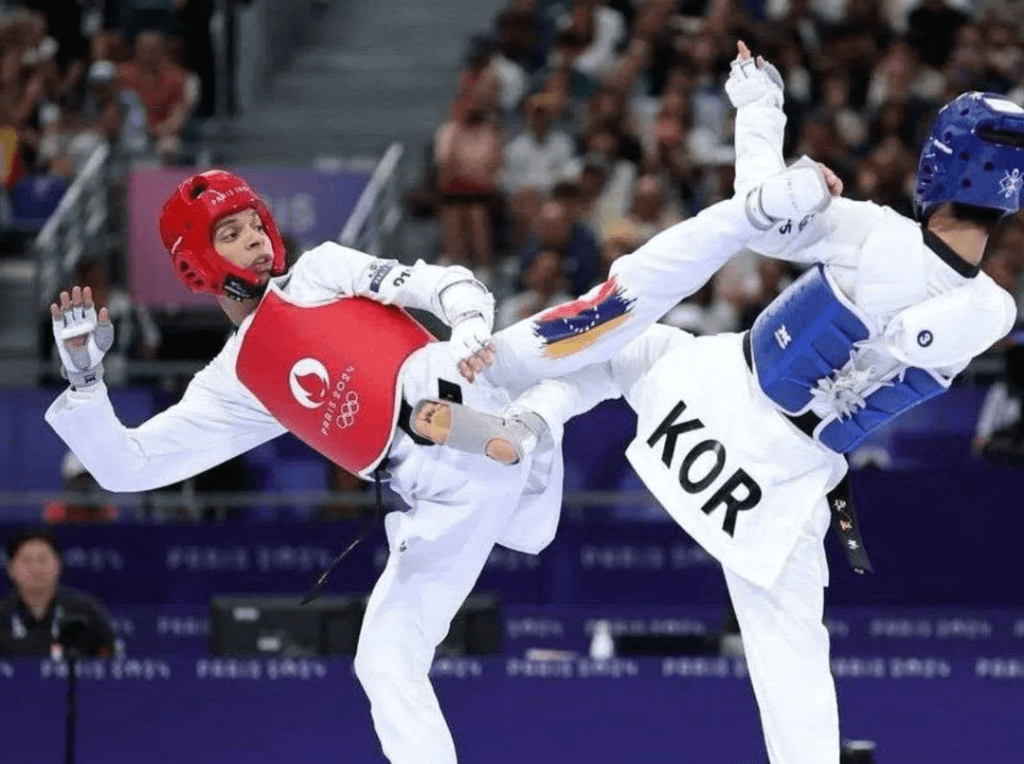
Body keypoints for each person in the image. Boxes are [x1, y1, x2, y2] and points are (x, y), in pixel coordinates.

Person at [43, 56, 835, 763]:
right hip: (440, 498)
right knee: (384, 660)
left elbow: (443, 282)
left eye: (254, 223)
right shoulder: (239, 382)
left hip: (470, 377)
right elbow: (128, 466)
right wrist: (83, 379)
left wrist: (466, 332)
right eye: (231, 233)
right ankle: (534, 430)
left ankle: (754, 202)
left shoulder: (320, 270)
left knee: (622, 310)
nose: (254, 239)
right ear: (195, 264)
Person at [417, 45, 1021, 764]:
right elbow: (932, 332)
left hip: (716, 393)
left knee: (623, 351)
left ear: (937, 166)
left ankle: (529, 422)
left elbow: (755, 213)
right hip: (782, 474)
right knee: (792, 654)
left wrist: (759, 105)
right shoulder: (991, 306)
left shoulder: (874, 232)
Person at [0, 527, 116, 657]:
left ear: (58, 564)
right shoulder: (2, 614)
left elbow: (110, 661)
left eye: (43, 559)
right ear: (10, 569)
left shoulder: (85, 612)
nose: (36, 568)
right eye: (27, 561)